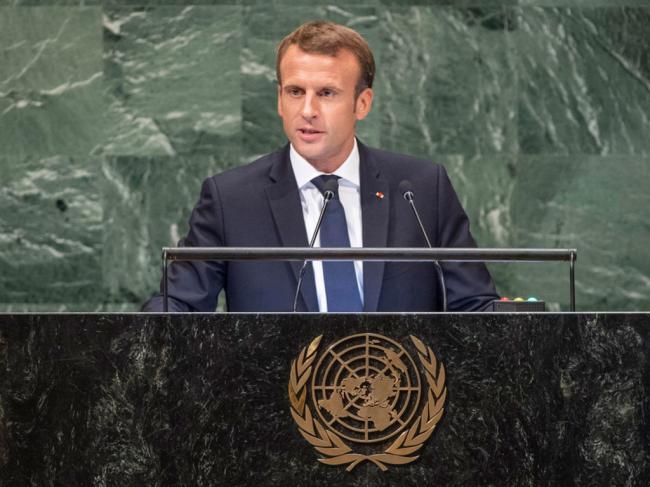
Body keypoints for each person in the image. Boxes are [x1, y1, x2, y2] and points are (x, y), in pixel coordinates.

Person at [142, 20, 498, 313]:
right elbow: (178, 306)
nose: (308, 110)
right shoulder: (231, 200)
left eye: (326, 93)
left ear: (362, 103)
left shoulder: (421, 190)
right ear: (279, 100)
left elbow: (474, 306)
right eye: (295, 92)